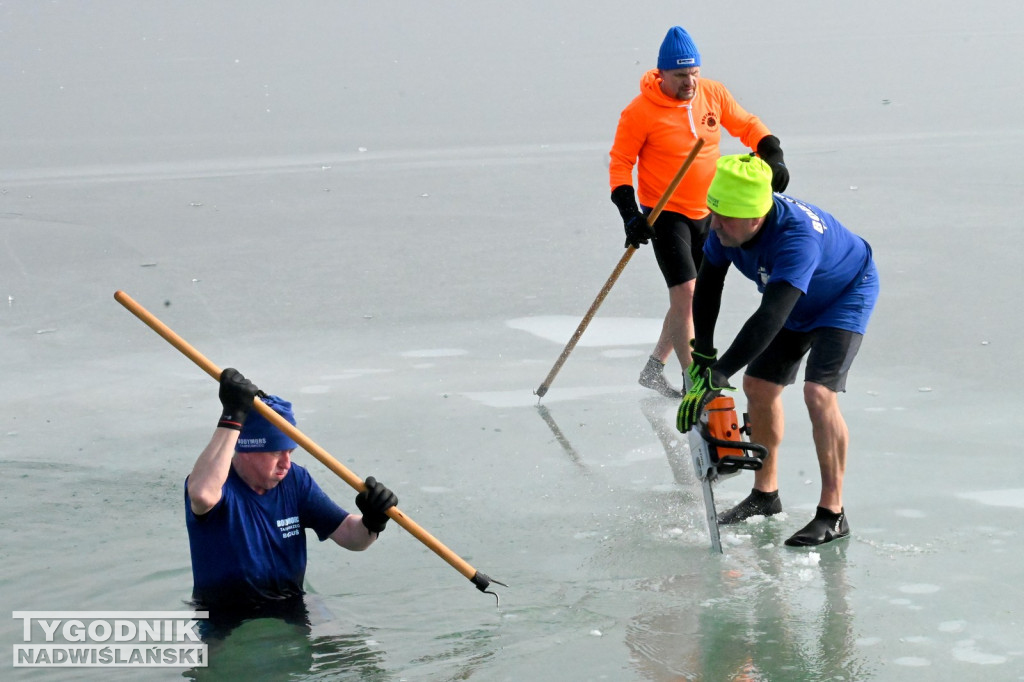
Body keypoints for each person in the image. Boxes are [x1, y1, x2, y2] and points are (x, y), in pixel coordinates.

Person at [676, 154, 878, 547]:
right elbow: (709, 286)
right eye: (712, 213)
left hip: (844, 295)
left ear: (756, 218)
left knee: (818, 394)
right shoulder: (725, 227)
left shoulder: (796, 240)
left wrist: (720, 375)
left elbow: (770, 315)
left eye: (724, 218)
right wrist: (703, 354)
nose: (713, 225)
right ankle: (765, 496)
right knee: (759, 386)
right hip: (793, 297)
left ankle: (833, 513)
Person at [609, 25, 790, 398]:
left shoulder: (713, 93)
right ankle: (693, 380)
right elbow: (619, 164)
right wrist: (630, 214)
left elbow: (747, 125)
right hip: (665, 214)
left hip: (709, 211)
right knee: (687, 292)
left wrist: (772, 151)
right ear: (661, 74)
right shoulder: (639, 112)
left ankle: (654, 368)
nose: (689, 82)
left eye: (694, 73)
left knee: (690, 296)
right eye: (680, 76)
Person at [185, 368, 398, 625]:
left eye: (291, 452)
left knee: (352, 653)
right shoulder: (215, 484)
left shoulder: (296, 481)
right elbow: (202, 495)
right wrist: (232, 415)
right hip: (224, 614)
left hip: (289, 603)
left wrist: (373, 520)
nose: (286, 463)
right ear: (247, 449)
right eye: (276, 453)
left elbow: (352, 538)